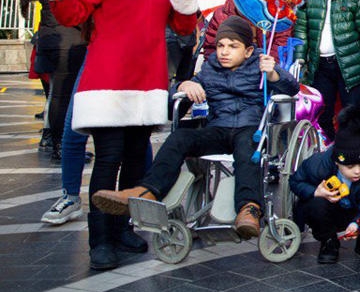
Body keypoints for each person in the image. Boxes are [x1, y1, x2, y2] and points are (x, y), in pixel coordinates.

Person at [40, 0, 199, 271]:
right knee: (108, 160)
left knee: (133, 162)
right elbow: (71, 13)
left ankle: (123, 228)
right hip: (107, 84)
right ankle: (100, 240)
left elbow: (184, 27)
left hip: (146, 84)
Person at [90, 16, 300, 236]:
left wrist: (274, 73)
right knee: (180, 138)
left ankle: (250, 208)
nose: (224, 52)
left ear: (248, 51)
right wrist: (184, 85)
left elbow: (292, 89)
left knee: (247, 149)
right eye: (220, 45)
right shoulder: (210, 69)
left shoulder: (261, 64)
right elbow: (177, 105)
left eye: (232, 46)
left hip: (251, 128)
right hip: (218, 128)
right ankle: (146, 192)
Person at [41, 0, 123, 226]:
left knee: (135, 136)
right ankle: (70, 196)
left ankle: (143, 197)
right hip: (94, 58)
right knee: (74, 129)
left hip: (129, 66)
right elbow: (73, 14)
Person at [289, 108, 360, 264]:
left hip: (358, 209)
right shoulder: (320, 164)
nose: (357, 171)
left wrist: (358, 223)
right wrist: (315, 192)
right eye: (350, 167)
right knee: (313, 204)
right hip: (331, 210)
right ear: (337, 162)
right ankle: (329, 242)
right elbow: (295, 181)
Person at [24, 0, 89, 162]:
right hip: (69, 44)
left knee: (53, 96)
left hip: (46, 42)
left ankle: (51, 138)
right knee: (63, 97)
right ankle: (62, 145)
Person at [295, 0, 360, 137]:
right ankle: (326, 152)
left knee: (352, 114)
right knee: (321, 113)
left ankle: (352, 155)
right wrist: (299, 60)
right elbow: (301, 32)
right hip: (319, 66)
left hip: (350, 66)